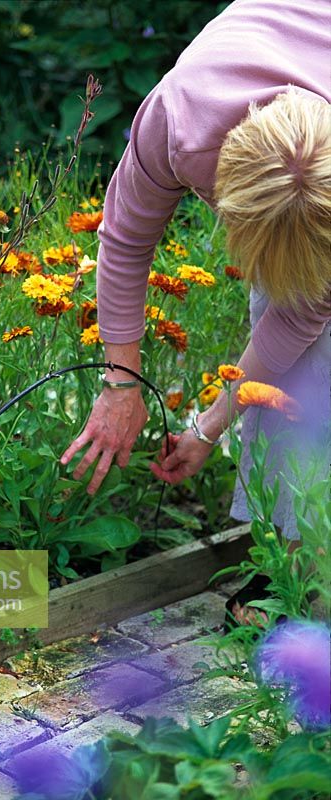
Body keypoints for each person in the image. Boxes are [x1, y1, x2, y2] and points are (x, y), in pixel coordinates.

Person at [60, 0, 331, 624]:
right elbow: (126, 241)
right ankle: (291, 565)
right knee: (292, 336)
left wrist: (209, 426)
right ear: (221, 194)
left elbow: (305, 317)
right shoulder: (179, 121)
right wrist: (122, 382)